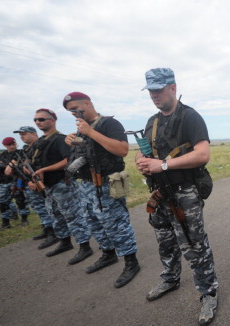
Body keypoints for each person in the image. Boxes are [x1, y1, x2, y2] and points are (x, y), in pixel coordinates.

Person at [135, 68, 219, 326]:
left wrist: (163, 166)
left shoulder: (190, 117)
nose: (154, 95)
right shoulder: (152, 121)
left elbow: (202, 154)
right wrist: (141, 162)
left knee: (194, 244)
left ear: (172, 87)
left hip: (184, 192)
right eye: (150, 91)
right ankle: (170, 278)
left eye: (158, 90)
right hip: (159, 193)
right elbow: (144, 152)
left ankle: (208, 292)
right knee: (165, 240)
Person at [63, 92, 140, 288]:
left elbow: (123, 149)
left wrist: (89, 132)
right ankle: (108, 254)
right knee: (93, 222)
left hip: (107, 183)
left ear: (87, 103)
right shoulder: (82, 129)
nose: (74, 114)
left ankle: (131, 262)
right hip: (87, 184)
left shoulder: (109, 124)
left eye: (76, 109)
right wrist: (73, 140)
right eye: (71, 112)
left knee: (116, 224)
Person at [30, 108, 94, 260]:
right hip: (48, 186)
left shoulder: (60, 139)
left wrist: (45, 169)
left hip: (62, 183)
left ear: (52, 120)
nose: (38, 122)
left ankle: (84, 246)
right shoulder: (40, 142)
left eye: (41, 119)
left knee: (72, 215)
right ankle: (65, 241)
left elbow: (68, 161)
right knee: (55, 214)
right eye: (36, 120)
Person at [11, 126, 56, 244]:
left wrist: (34, 181)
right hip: (31, 182)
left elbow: (41, 166)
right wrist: (28, 181)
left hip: (44, 182)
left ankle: (52, 232)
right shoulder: (27, 150)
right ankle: (46, 228)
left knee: (47, 208)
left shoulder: (40, 146)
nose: (22, 137)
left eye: (24, 134)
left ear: (34, 134)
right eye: (20, 135)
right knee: (38, 207)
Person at [0, 137, 22, 230]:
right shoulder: (2, 155)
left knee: (20, 200)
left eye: (13, 144)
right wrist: (0, 165)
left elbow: (18, 165)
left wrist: (5, 165)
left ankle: (24, 219)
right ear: (5, 146)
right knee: (2, 202)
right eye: (9, 145)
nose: (12, 146)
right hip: (3, 182)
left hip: (16, 180)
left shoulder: (19, 153)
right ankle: (6, 223)